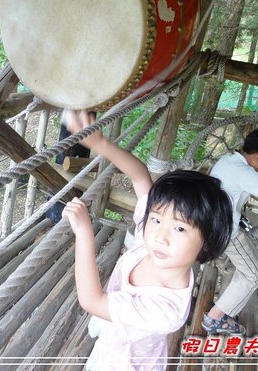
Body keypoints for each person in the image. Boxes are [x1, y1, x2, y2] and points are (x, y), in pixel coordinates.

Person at [63, 111, 233, 370]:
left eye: (179, 229)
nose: (160, 236)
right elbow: (141, 177)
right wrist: (101, 144)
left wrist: (85, 232)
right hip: (113, 334)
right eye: (156, 220)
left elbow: (92, 300)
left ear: (207, 242)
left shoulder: (166, 311)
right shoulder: (151, 241)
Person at [202, 128, 258, 336]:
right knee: (253, 275)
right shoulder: (244, 172)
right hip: (224, 232)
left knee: (257, 225)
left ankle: (228, 305)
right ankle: (215, 318)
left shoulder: (229, 160)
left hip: (210, 221)